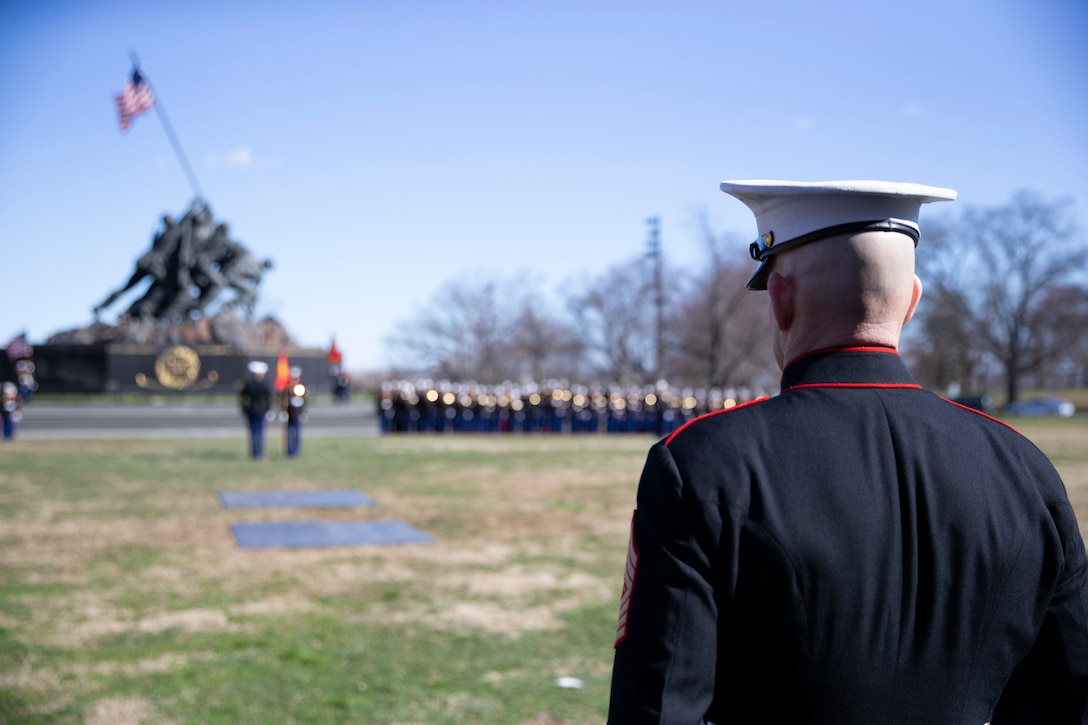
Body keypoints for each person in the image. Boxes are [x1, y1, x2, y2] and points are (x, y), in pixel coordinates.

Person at [607, 180, 1088, 724]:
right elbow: (1071, 696)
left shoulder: (704, 463)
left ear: (782, 298)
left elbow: (655, 709)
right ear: (911, 301)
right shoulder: (1025, 470)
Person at [239, 361, 272, 459]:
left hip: (252, 410)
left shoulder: (248, 384)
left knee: (254, 433)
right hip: (261, 411)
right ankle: (259, 453)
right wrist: (268, 409)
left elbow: (243, 398)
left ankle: (255, 453)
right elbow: (268, 399)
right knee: (260, 433)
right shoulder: (264, 384)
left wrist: (244, 409)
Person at [280, 366, 308, 457]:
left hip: (297, 415)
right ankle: (289, 451)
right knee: (288, 434)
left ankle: (296, 451)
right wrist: (283, 411)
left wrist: (304, 413)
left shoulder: (302, 388)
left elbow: (305, 402)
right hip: (289, 415)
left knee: (297, 434)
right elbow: (282, 401)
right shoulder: (286, 389)